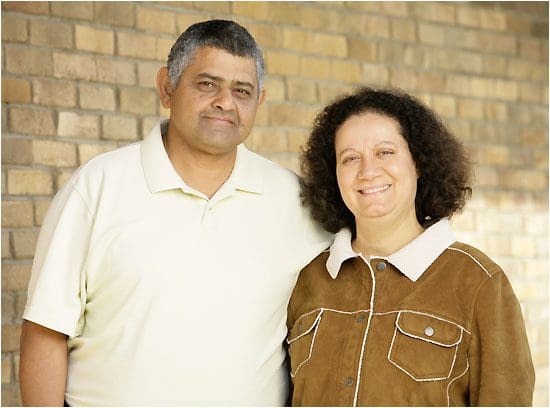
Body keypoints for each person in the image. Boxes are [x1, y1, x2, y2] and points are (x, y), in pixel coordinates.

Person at [20, 20, 331, 406]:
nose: (225, 102)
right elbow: (46, 331)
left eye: (242, 91)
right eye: (207, 84)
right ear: (167, 87)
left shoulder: (295, 201)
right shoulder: (97, 187)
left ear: (259, 101)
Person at [287, 88, 535, 406]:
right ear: (333, 175)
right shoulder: (308, 280)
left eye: (385, 152)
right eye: (350, 158)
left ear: (418, 162)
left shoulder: (478, 282)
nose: (368, 171)